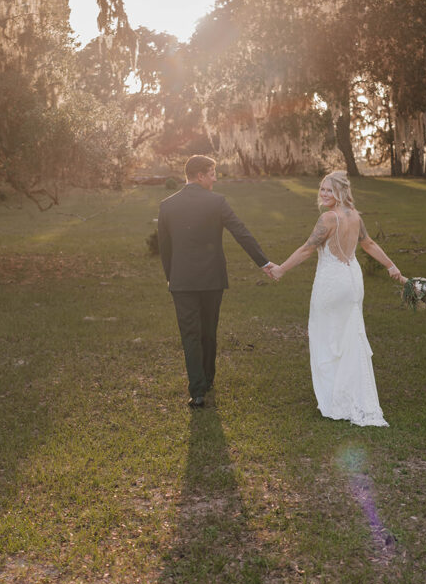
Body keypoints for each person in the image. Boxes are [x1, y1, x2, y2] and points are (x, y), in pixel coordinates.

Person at [271, 171, 405, 427]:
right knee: (350, 337)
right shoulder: (355, 216)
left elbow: (307, 249)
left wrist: (281, 269)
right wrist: (391, 266)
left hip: (332, 282)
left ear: (341, 192)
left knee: (327, 337)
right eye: (322, 189)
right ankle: (353, 393)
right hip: (353, 280)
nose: (323, 194)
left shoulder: (328, 218)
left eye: (329, 190)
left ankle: (337, 400)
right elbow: (369, 244)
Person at [157, 155, 275, 408]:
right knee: (208, 331)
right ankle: (207, 379)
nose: (214, 178)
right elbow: (240, 232)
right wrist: (263, 262)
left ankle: (197, 391)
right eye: (212, 173)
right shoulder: (217, 202)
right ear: (199, 175)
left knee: (190, 334)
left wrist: (171, 277)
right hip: (212, 279)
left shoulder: (167, 205)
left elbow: (164, 250)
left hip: (182, 281)